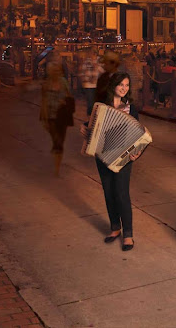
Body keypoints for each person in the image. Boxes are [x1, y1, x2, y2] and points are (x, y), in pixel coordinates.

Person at [82, 72, 145, 251]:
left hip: (123, 158)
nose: (124, 88)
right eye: (121, 85)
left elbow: (139, 134)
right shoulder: (102, 107)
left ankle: (128, 234)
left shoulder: (131, 109)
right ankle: (115, 228)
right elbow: (91, 124)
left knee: (122, 194)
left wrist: (136, 153)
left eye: (127, 85)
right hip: (102, 155)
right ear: (113, 86)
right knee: (109, 192)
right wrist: (83, 127)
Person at [39, 61, 73, 177]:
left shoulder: (63, 82)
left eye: (58, 70)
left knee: (60, 141)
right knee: (56, 140)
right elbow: (43, 101)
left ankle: (57, 167)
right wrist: (43, 117)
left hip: (62, 116)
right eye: (55, 70)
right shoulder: (46, 84)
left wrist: (65, 101)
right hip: (51, 116)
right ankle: (56, 157)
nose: (57, 72)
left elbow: (69, 95)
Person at [79, 50, 104, 116]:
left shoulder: (100, 61)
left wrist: (97, 66)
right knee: (90, 103)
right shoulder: (86, 61)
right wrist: (87, 80)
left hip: (98, 85)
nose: (92, 56)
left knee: (98, 103)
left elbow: (103, 72)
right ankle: (90, 118)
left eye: (94, 54)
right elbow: (82, 72)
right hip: (88, 85)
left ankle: (96, 118)